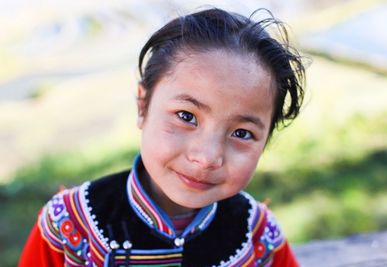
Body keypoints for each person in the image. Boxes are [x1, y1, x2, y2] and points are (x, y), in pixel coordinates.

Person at [19, 7, 305, 267]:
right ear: (143, 106)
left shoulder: (258, 236)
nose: (206, 157)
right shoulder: (69, 224)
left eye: (242, 133)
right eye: (186, 116)